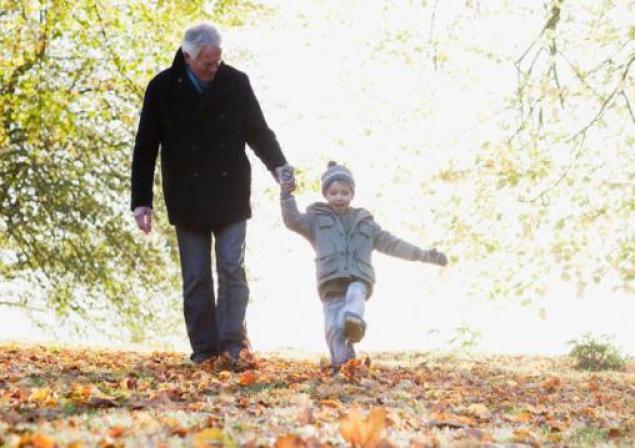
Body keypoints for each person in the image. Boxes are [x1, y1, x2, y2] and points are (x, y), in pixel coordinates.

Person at [130, 23, 294, 370]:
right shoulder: (161, 88)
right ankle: (204, 350)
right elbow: (145, 147)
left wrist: (278, 165)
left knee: (232, 269)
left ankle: (233, 345)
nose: (213, 68)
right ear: (188, 57)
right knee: (196, 275)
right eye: (206, 62)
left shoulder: (236, 83)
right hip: (186, 195)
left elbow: (258, 131)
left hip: (230, 191)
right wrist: (141, 201)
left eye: (217, 60)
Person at [279, 161, 447, 371]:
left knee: (354, 295)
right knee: (332, 328)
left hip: (358, 279)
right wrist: (286, 196)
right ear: (326, 194)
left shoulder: (365, 222)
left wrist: (424, 255)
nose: (339, 197)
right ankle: (344, 366)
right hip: (330, 283)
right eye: (333, 193)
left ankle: (354, 321)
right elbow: (292, 220)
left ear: (352, 194)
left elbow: (393, 244)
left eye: (344, 192)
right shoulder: (315, 220)